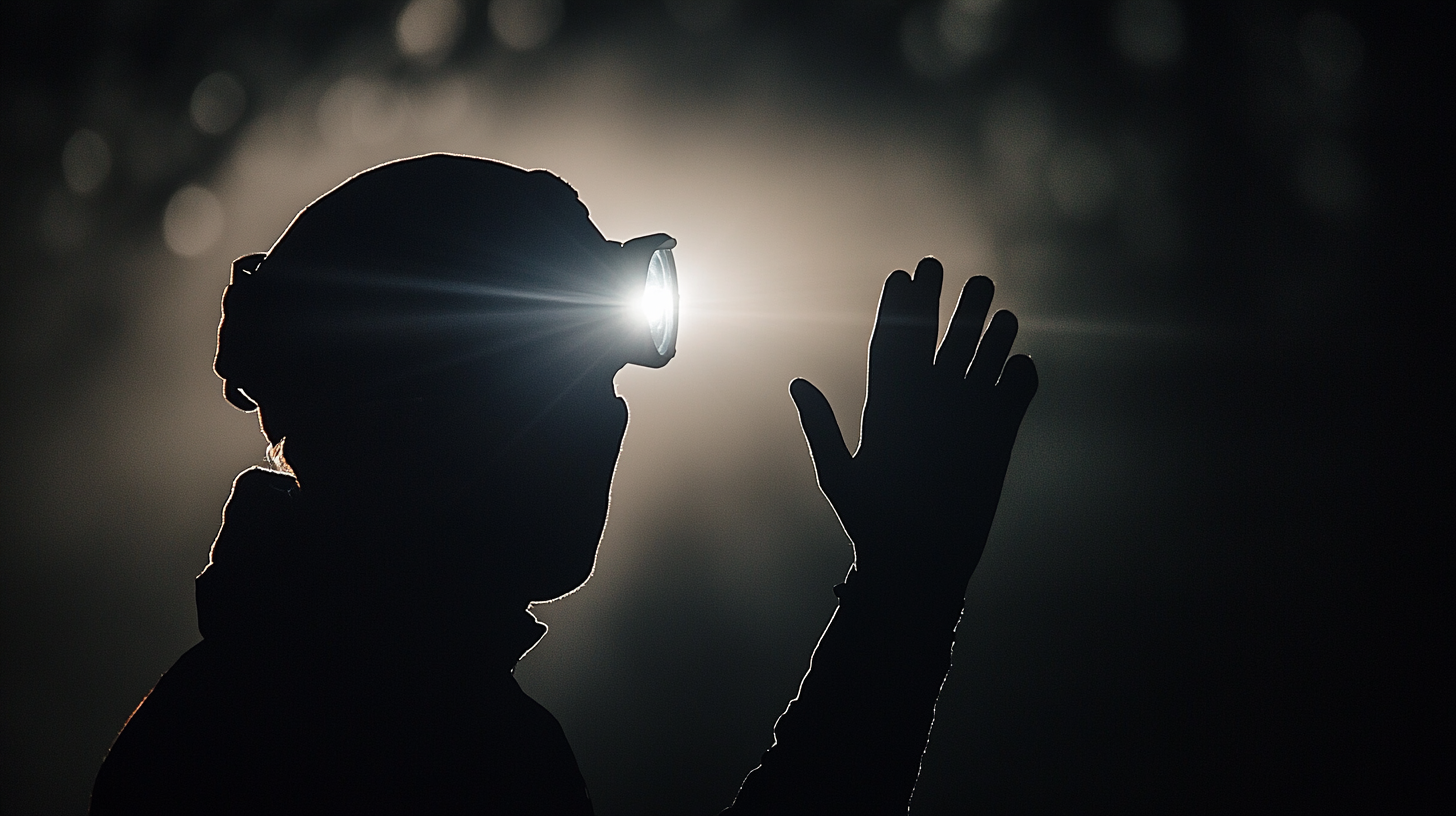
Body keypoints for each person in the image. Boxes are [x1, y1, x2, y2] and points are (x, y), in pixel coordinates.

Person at [89, 154, 1037, 814]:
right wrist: (903, 596)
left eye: (611, 378)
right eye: (567, 378)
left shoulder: (319, 702)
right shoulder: (339, 745)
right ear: (419, 407)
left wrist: (903, 594)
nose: (611, 417)